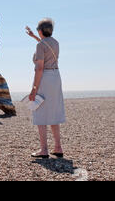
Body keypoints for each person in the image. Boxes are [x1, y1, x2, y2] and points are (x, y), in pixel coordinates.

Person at [26, 18, 65, 159]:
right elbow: (45, 45)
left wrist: (34, 89)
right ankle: (58, 147)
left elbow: (40, 68)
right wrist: (34, 37)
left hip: (45, 77)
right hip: (56, 77)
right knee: (54, 111)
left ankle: (44, 150)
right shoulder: (55, 43)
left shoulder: (41, 45)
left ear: (40, 30)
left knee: (40, 112)